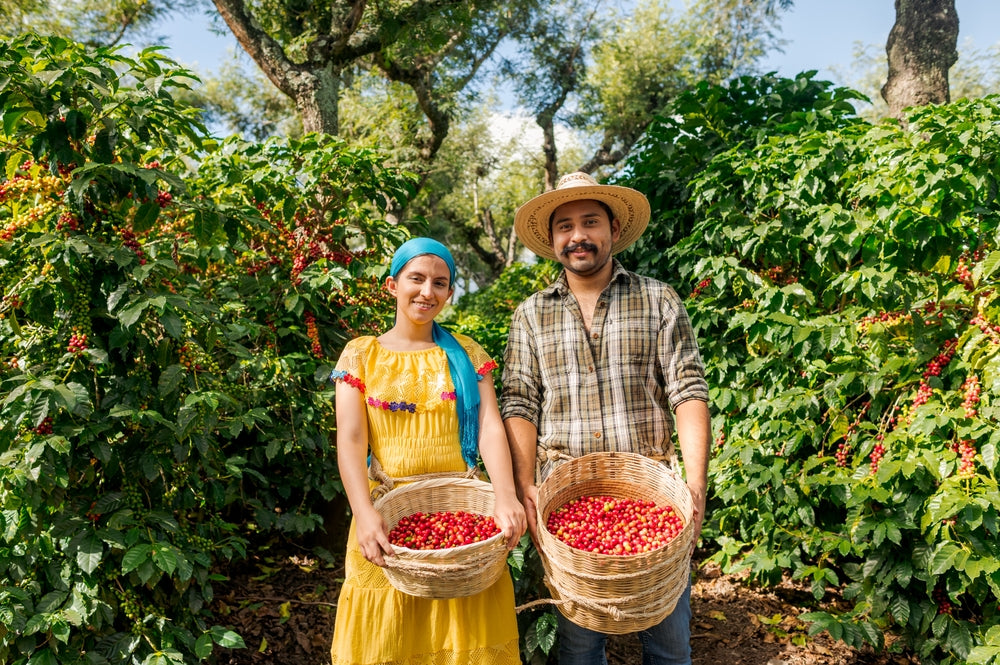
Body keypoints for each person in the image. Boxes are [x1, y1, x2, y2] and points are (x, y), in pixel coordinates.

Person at [500, 172, 711, 665]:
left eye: (590, 221)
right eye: (565, 226)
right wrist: (526, 484)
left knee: (669, 641)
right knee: (578, 646)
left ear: (614, 229)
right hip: (565, 500)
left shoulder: (658, 299)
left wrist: (695, 484)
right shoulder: (531, 315)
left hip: (653, 492)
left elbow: (688, 391)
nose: (578, 236)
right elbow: (519, 403)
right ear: (553, 241)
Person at [328, 237, 527, 665]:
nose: (427, 292)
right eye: (415, 279)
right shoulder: (361, 355)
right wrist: (363, 514)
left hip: (463, 517)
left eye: (440, 283)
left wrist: (506, 496)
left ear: (450, 293)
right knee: (387, 637)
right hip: (387, 512)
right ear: (391, 285)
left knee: (463, 634)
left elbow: (492, 427)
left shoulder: (468, 353)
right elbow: (350, 440)